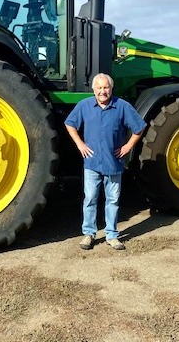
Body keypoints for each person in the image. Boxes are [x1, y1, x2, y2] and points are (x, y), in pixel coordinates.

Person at [65, 73, 147, 250]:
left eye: (106, 87)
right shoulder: (84, 106)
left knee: (112, 200)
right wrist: (80, 144)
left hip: (114, 163)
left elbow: (139, 128)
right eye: (99, 88)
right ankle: (88, 234)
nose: (103, 91)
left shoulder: (122, 107)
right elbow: (70, 124)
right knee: (90, 199)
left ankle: (112, 235)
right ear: (94, 89)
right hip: (92, 163)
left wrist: (128, 147)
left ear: (111, 88)